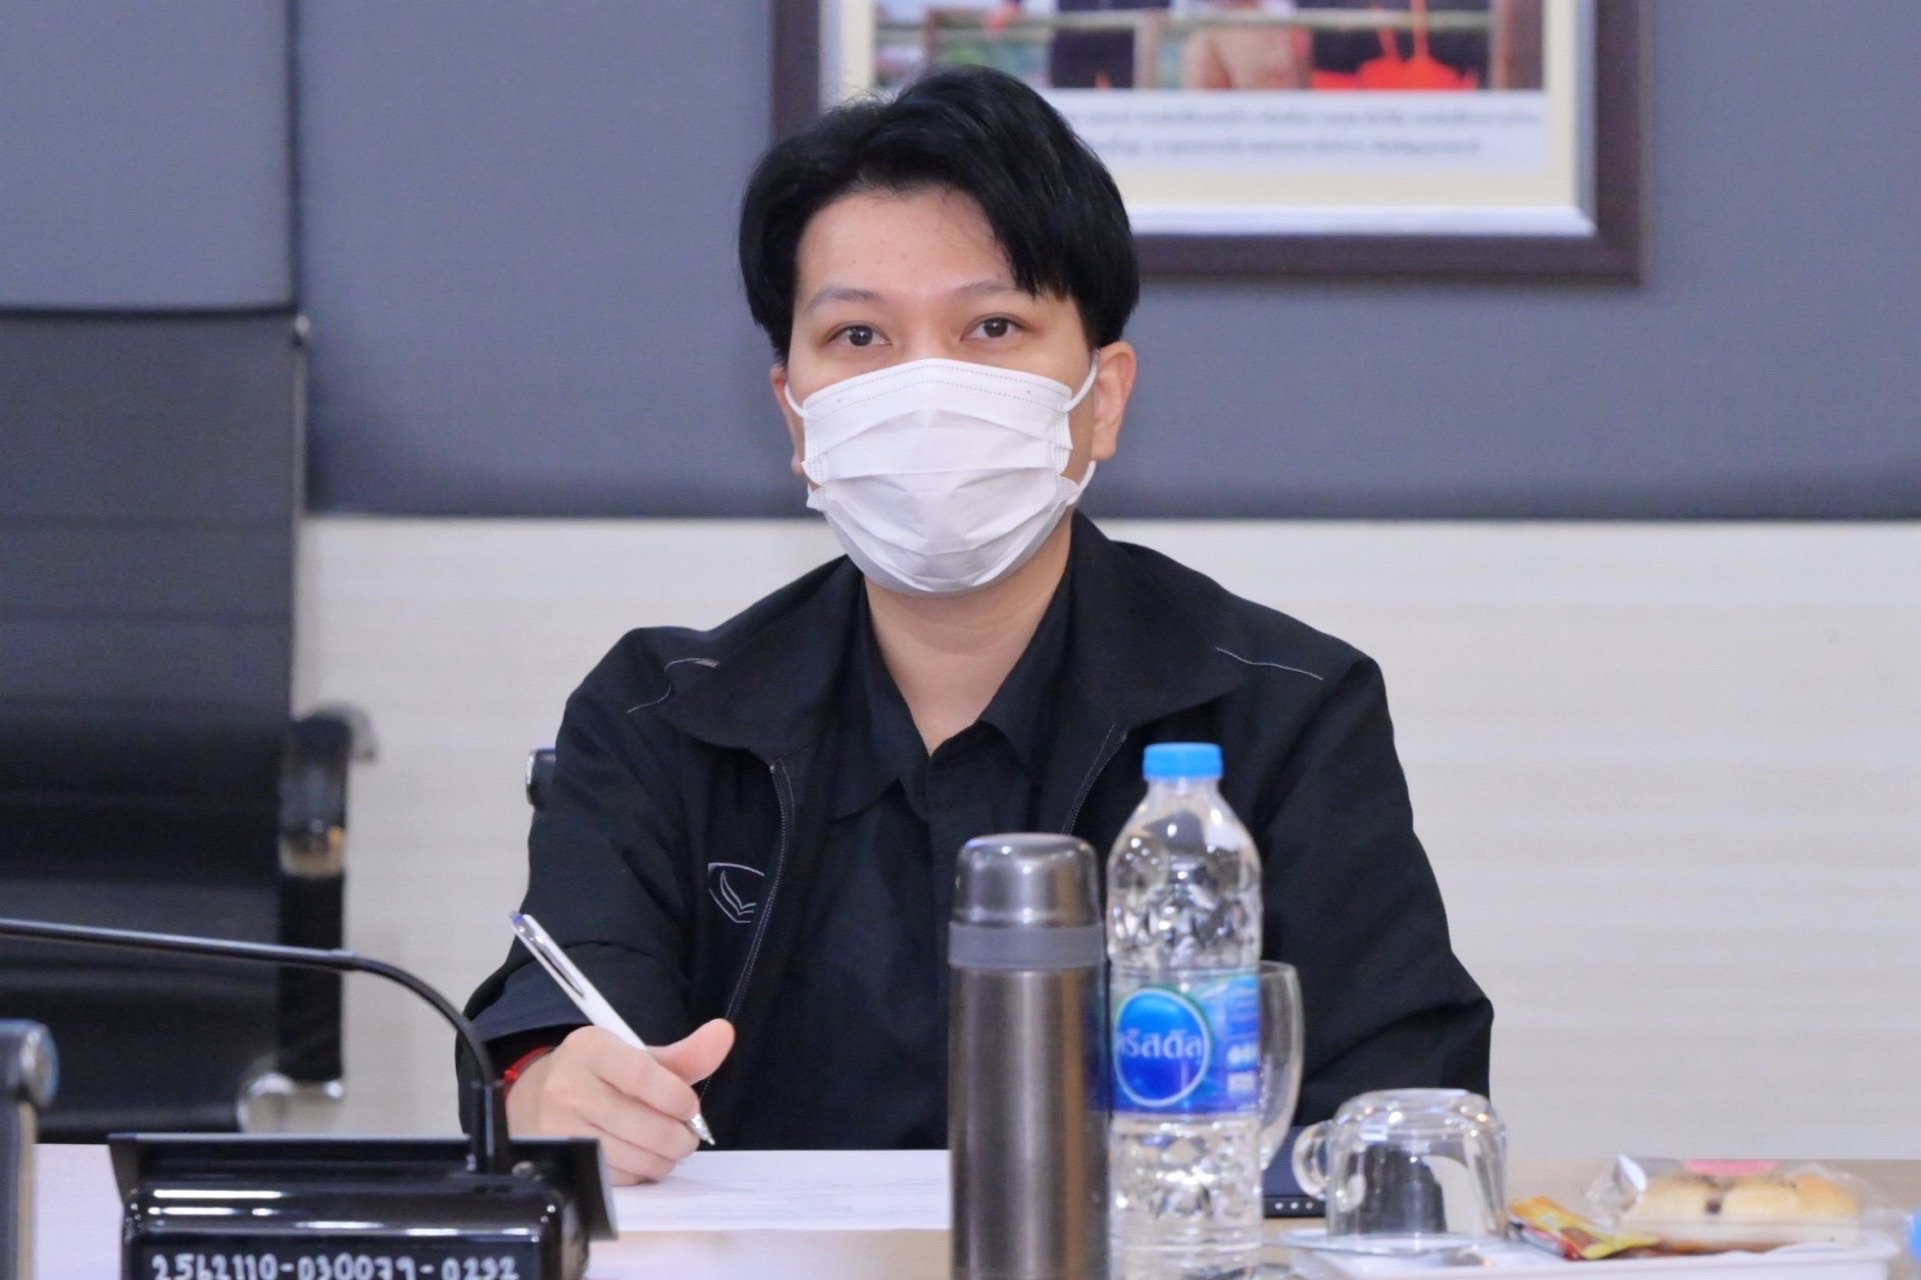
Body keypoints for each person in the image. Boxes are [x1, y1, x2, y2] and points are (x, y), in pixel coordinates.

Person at [463, 64, 1492, 1185]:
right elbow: (555, 1029)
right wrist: (551, 1090)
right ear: (796, 418)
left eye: (993, 325)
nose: (925, 390)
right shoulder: (659, 719)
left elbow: (1401, 1109)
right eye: (859, 336)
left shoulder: (1283, 711)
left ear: (1101, 398)